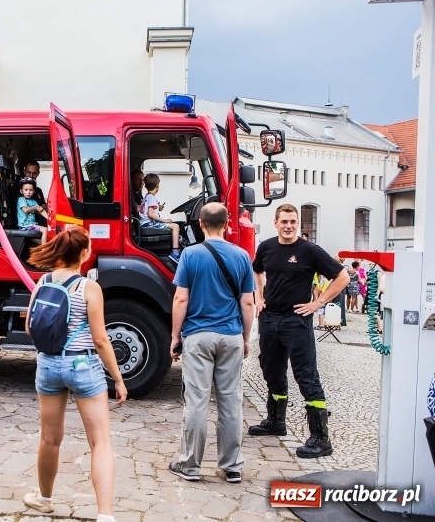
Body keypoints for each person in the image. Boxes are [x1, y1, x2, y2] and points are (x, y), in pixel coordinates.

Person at [22, 227, 127, 522]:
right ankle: (105, 515)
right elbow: (100, 340)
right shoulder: (88, 288)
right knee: (100, 442)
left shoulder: (42, 281)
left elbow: (30, 327)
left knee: (50, 439)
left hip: (48, 365)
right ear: (84, 253)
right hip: (82, 366)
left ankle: (44, 499)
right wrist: (118, 379)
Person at [249, 203, 348, 458]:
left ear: (298, 224)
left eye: (293, 222)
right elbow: (257, 270)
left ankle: (320, 438)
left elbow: (342, 277)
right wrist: (259, 296)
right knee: (271, 371)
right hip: (269, 320)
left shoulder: (310, 251)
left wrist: (318, 302)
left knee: (306, 376)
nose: (289, 226)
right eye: (284, 221)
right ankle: (275, 422)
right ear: (276, 223)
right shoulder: (267, 247)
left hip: (297, 321)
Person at [168, 203, 255, 483]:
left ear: (201, 224)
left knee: (196, 401)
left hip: (198, 336)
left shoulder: (190, 255)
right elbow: (247, 302)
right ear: (228, 223)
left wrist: (175, 337)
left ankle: (190, 465)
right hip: (230, 336)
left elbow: (181, 299)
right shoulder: (242, 256)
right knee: (230, 400)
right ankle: (231, 466)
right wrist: (245, 337)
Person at [138, 173, 182, 263]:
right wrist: (165, 220)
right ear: (157, 186)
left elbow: (149, 209)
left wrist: (158, 207)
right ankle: (175, 252)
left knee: (173, 227)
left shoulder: (147, 197)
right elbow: (150, 214)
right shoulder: (153, 198)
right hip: (149, 224)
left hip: (144, 223)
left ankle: (179, 240)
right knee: (175, 226)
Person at [17, 177, 48, 244]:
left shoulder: (34, 202)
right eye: (26, 190)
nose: (28, 192)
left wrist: (50, 218)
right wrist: (36, 207)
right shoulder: (21, 200)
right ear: (21, 191)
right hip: (24, 226)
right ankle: (44, 251)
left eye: (31, 190)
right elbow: (26, 210)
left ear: (34, 191)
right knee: (45, 230)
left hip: (32, 225)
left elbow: (40, 210)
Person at [23, 161, 49, 225]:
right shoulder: (17, 189)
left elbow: (44, 208)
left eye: (34, 173)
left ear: (38, 173)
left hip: (40, 223)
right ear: (24, 172)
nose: (31, 176)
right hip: (26, 225)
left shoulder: (39, 191)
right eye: (28, 172)